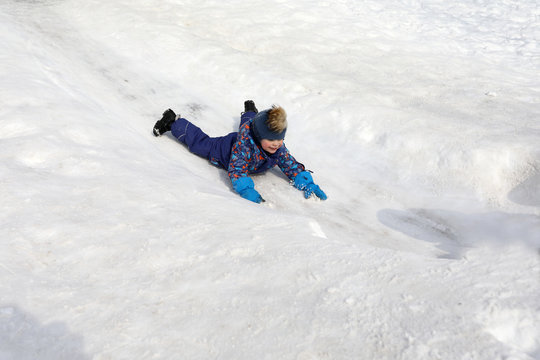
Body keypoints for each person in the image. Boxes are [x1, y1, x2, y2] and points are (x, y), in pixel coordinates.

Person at [152, 100, 327, 203]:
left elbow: (289, 163)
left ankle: (251, 112)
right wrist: (246, 189)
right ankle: (173, 122)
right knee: (200, 144)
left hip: (253, 131)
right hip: (223, 149)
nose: (277, 144)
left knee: (250, 123)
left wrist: (305, 181)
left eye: (280, 139)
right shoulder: (243, 147)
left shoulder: (276, 146)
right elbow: (236, 170)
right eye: (272, 140)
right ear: (259, 137)